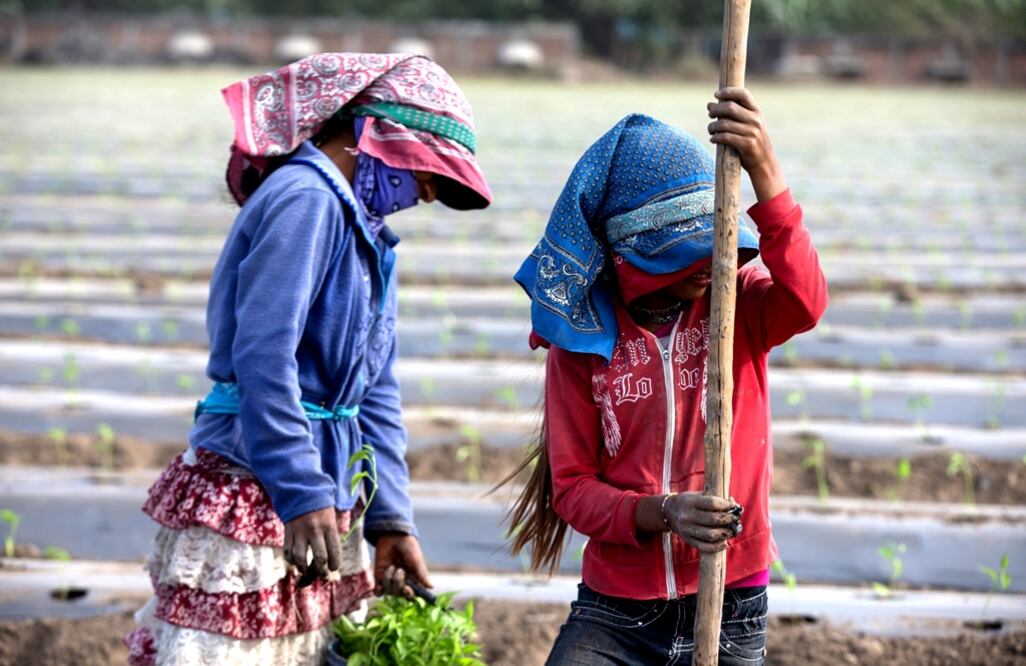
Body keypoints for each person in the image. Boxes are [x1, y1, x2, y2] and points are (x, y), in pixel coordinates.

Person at [124, 52, 491, 665]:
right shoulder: (307, 200)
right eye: (428, 173)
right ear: (374, 134)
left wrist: (392, 522)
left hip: (321, 484)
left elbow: (374, 388)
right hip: (258, 477)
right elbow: (265, 356)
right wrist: (299, 490)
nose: (427, 193)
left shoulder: (369, 231)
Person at [506, 88, 827, 665]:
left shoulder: (737, 304)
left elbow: (805, 303)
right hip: (618, 608)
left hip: (729, 593)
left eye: (713, 242)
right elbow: (573, 489)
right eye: (684, 252)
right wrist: (664, 511)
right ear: (632, 258)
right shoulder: (581, 343)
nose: (707, 264)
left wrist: (765, 169)